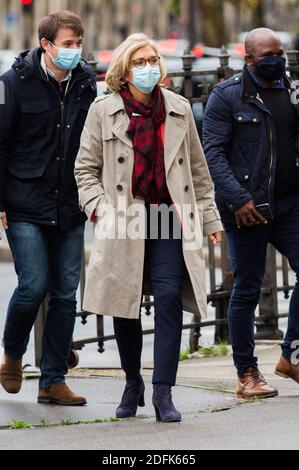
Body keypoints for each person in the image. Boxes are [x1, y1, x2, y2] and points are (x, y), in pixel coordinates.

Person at [75, 33, 222, 422]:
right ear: (125, 70)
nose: (148, 67)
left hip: (167, 215)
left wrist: (210, 220)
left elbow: (199, 171)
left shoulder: (178, 108)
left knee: (171, 296)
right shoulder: (102, 111)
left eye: (153, 59)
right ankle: (131, 382)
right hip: (125, 216)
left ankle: (163, 391)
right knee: (125, 304)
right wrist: (101, 211)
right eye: (140, 61)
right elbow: (84, 170)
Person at [0, 10, 96, 405]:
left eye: (78, 44)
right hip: (23, 202)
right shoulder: (12, 83)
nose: (75, 51)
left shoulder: (86, 82)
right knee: (32, 285)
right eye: (68, 44)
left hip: (70, 202)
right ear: (46, 45)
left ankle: (52, 381)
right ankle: (12, 353)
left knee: (64, 294)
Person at [203, 28, 299, 399]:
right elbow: (214, 153)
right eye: (268, 55)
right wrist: (239, 200)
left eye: (280, 53)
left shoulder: (290, 90)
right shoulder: (226, 96)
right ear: (248, 60)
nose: (277, 60)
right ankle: (247, 373)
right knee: (246, 288)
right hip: (247, 209)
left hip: (289, 203)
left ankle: (290, 354)